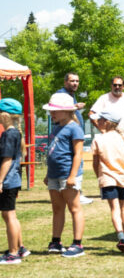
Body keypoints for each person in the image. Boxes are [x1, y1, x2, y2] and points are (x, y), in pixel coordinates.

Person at [43, 92, 86, 258]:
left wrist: (72, 176)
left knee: (74, 208)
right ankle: (56, 241)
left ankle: (77, 243)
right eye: (51, 110)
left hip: (68, 174)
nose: (51, 113)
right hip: (54, 175)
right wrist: (48, 174)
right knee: (57, 208)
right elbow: (53, 151)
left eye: (55, 110)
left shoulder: (74, 128)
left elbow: (78, 153)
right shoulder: (56, 127)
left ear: (67, 111)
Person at [92, 110, 124, 254]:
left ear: (107, 122)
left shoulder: (99, 139)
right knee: (122, 208)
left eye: (100, 120)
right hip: (123, 177)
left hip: (107, 178)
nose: (97, 122)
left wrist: (99, 176)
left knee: (114, 208)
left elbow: (95, 162)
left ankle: (121, 237)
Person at [54, 72, 91, 204]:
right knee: (74, 162)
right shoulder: (61, 94)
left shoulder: (71, 95)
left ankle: (74, 193)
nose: (75, 83)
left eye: (77, 81)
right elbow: (57, 110)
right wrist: (75, 107)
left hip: (74, 136)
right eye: (72, 81)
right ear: (65, 82)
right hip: (67, 137)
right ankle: (75, 195)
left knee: (77, 162)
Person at [0, 98, 27, 264]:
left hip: (8, 181)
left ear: (5, 115)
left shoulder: (8, 134)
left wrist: (0, 180)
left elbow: (7, 159)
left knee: (8, 215)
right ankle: (20, 247)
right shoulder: (16, 133)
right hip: (14, 180)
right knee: (11, 215)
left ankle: (13, 253)